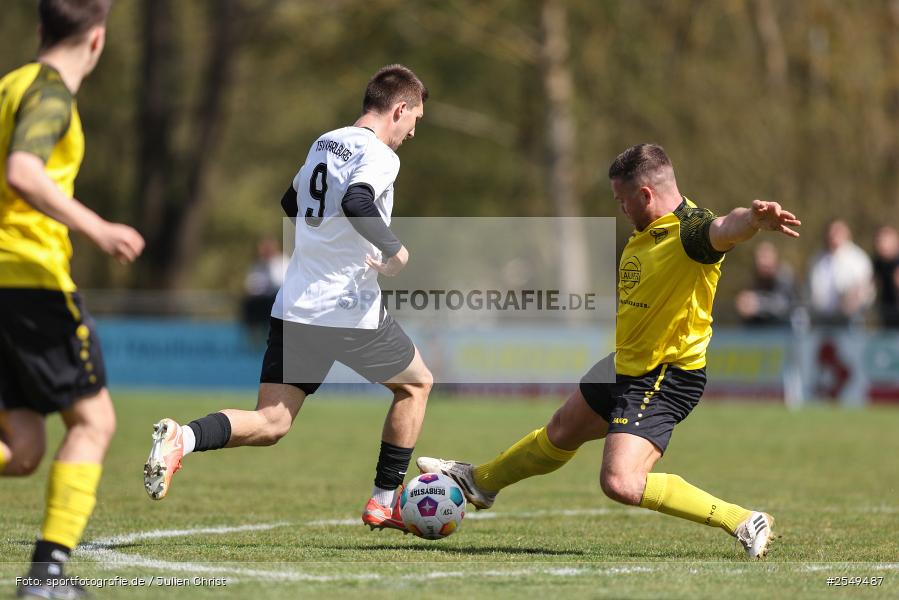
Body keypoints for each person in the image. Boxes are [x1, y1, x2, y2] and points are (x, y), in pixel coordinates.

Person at [418, 144, 801, 559]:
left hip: (664, 374)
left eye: (622, 200)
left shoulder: (690, 231)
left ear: (646, 195)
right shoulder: (647, 230)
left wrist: (755, 220)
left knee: (621, 481)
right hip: (626, 364)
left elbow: (724, 228)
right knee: (561, 431)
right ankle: (479, 481)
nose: (619, 208)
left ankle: (742, 518)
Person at [144, 65, 433, 535]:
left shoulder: (325, 142)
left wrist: (325, 242)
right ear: (398, 109)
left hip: (296, 304)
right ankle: (385, 501)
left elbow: (290, 201)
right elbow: (359, 201)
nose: (411, 133)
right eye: (413, 121)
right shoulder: (380, 154)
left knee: (272, 421)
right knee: (416, 385)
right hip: (346, 307)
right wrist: (395, 251)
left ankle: (184, 437)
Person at [0, 1, 146, 598]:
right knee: (94, 420)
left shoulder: (9, 85)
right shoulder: (52, 95)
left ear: (42, 30)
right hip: (29, 280)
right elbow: (23, 172)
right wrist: (98, 228)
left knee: (24, 447)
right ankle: (46, 577)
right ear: (97, 41)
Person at [807, 219, 874, 327]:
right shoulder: (817, 259)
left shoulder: (858, 259)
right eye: (832, 232)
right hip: (822, 319)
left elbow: (866, 289)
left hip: (851, 320)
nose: (834, 235)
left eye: (838, 232)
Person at [734, 240, 795, 326]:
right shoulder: (754, 278)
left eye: (766, 257)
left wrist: (758, 305)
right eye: (760, 258)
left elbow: (783, 305)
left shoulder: (784, 276)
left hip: (784, 331)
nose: (763, 262)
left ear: (775, 258)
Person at [872, 225, 899, 328]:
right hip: (886, 313)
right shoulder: (878, 262)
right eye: (878, 241)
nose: (881, 245)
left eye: (884, 241)